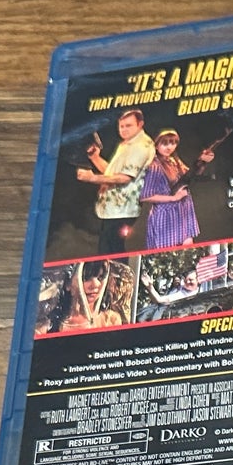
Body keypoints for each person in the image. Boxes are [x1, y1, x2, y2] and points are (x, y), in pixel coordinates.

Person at [76, 107, 156, 254]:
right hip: (113, 209)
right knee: (108, 249)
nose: (124, 130)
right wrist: (95, 158)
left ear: (140, 124)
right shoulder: (126, 144)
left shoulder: (141, 146)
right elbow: (113, 172)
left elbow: (124, 178)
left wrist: (92, 178)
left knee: (111, 251)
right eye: (121, 126)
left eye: (128, 125)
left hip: (123, 210)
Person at [137, 130, 200, 251]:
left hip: (184, 211)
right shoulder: (154, 166)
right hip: (167, 217)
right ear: (156, 145)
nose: (169, 147)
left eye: (173, 143)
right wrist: (173, 198)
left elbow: (189, 176)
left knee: (188, 250)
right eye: (164, 143)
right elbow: (145, 196)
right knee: (168, 252)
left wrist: (203, 162)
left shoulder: (173, 160)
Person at [60, 261, 124, 331]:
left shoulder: (110, 320)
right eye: (86, 278)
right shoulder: (55, 323)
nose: (95, 285)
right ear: (68, 283)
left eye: (101, 277)